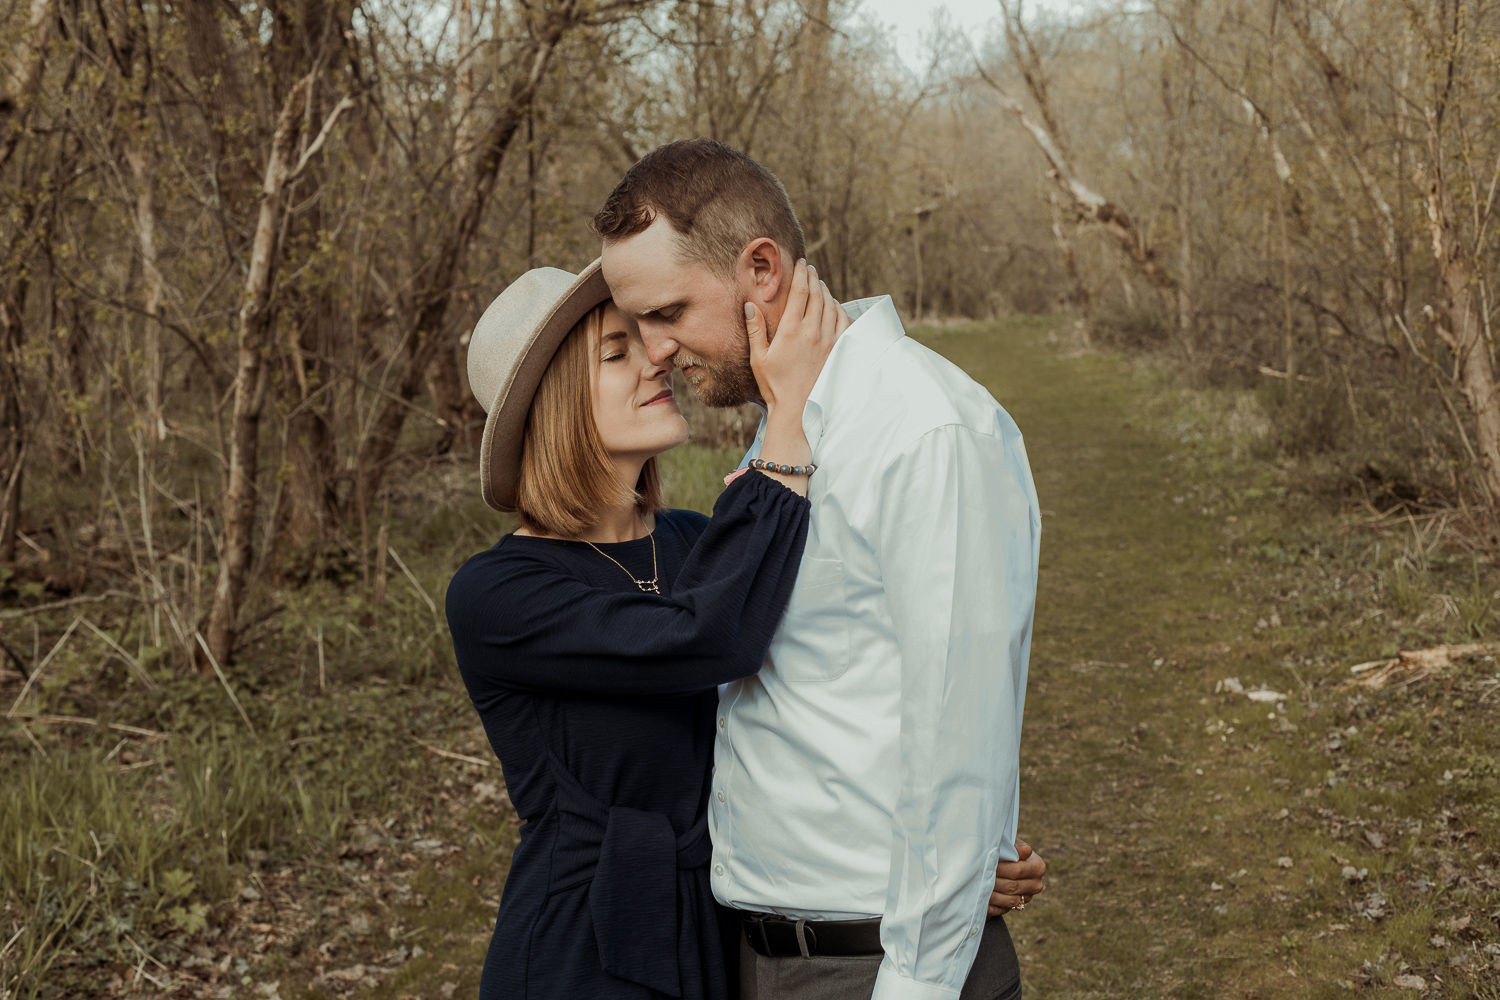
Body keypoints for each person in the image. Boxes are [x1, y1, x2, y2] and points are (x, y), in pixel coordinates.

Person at [597, 138, 1044, 1000]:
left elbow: (958, 738)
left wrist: (915, 979)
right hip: (764, 957)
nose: (652, 350)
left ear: (760, 269)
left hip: (877, 968)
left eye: (667, 312)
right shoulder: (787, 430)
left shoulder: (922, 428)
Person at [446, 258, 842, 999]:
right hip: (585, 948)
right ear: (553, 406)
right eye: (616, 352)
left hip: (725, 926)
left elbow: (815, 698)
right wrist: (785, 421)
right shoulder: (497, 595)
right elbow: (705, 640)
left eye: (648, 340)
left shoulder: (695, 539)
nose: (658, 358)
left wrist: (943, 855)